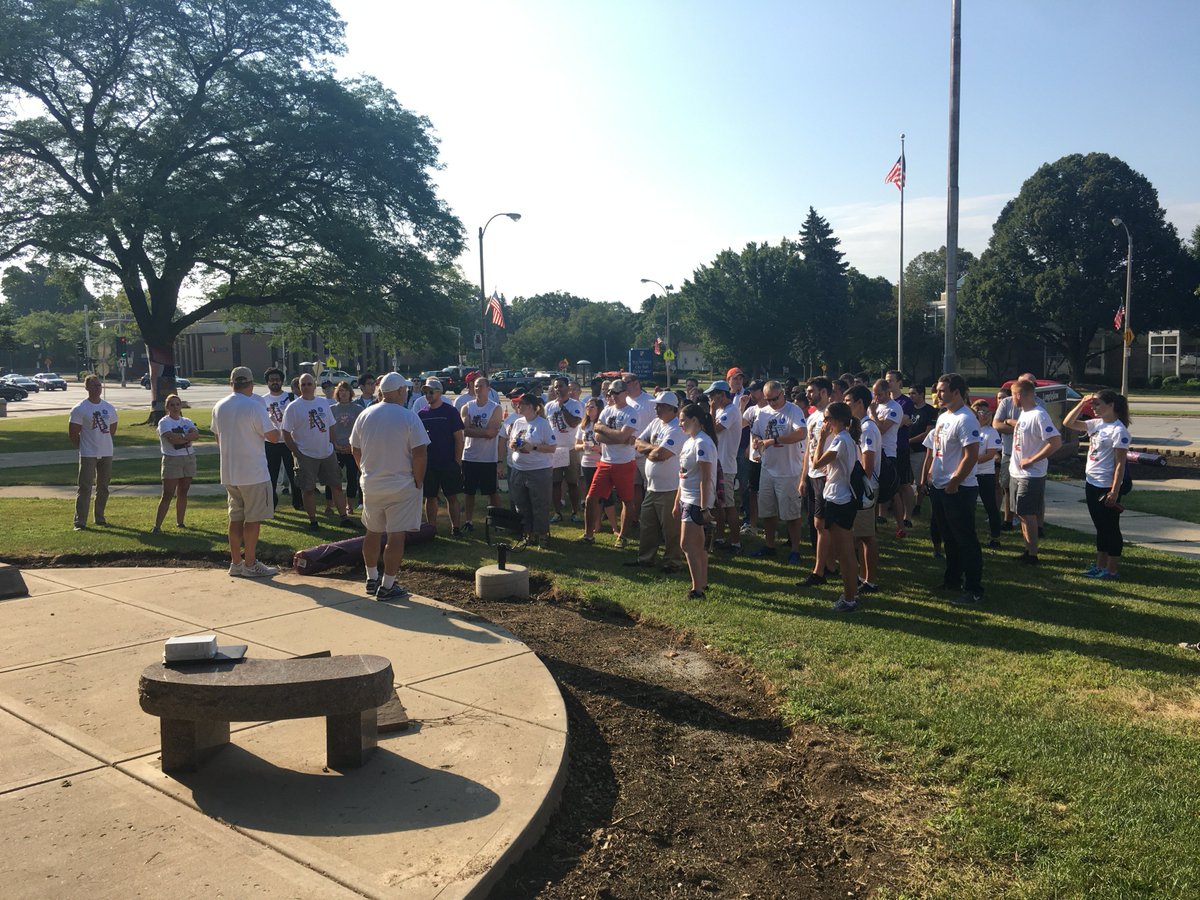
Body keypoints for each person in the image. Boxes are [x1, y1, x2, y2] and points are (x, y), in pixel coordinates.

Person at [350, 373, 429, 600]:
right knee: (396, 535)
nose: (406, 392)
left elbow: (355, 448)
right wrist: (418, 480)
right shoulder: (408, 417)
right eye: (404, 389)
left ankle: (371, 577)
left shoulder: (365, 414)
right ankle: (387, 585)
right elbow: (420, 453)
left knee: (372, 531)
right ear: (398, 392)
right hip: (401, 484)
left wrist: (364, 470)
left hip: (372, 483)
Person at [920, 374, 983, 606]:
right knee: (949, 537)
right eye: (937, 390)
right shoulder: (944, 416)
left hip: (958, 489)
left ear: (957, 392)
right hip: (939, 486)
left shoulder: (966, 419)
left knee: (965, 539)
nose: (937, 395)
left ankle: (973, 588)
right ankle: (952, 579)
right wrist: (930, 474)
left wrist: (955, 481)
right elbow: (939, 450)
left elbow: (971, 455)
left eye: (942, 391)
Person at [211, 366, 281, 577]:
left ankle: (236, 562)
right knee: (253, 519)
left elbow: (217, 437)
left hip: (230, 471)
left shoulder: (219, 406)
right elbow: (273, 437)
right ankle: (250, 563)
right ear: (250, 384)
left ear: (232, 383)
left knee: (235, 518)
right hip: (253, 472)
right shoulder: (254, 406)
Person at [1063, 390, 1131, 580]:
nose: (1093, 408)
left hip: (1106, 485)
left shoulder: (1119, 431)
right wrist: (1082, 403)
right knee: (1100, 527)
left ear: (1111, 406)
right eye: (1092, 405)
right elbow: (1068, 423)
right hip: (1092, 482)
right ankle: (1099, 565)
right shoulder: (1096, 424)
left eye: (1097, 404)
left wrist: (1114, 491)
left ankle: (1111, 569)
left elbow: (1120, 465)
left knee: (1111, 528)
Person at [282, 373, 353, 530]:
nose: (306, 387)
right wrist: (296, 452)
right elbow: (286, 433)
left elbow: (331, 425)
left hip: (327, 453)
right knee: (308, 489)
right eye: (303, 385)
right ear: (299, 388)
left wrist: (333, 444)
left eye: (309, 384)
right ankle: (313, 521)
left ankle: (344, 517)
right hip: (305, 455)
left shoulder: (322, 403)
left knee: (336, 485)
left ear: (315, 386)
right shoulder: (293, 407)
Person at [748, 380, 807, 564]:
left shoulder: (793, 410)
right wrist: (757, 441)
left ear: (782, 394)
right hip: (767, 467)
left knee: (791, 513)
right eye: (768, 399)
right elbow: (756, 432)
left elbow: (802, 433)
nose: (772, 403)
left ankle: (795, 549)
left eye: (775, 399)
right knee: (767, 511)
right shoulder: (763, 412)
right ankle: (770, 545)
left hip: (788, 470)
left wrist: (773, 440)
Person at [809, 402, 860, 612]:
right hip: (839, 498)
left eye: (827, 418)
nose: (824, 422)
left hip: (839, 500)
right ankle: (851, 593)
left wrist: (820, 440)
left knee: (845, 552)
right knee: (845, 551)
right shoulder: (845, 439)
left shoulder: (840, 440)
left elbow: (816, 463)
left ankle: (849, 598)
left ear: (837, 419)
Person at [1003, 378, 1061, 564]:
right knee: (1020, 512)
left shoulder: (1039, 415)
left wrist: (1032, 459)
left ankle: (1033, 554)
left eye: (1012, 395)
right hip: (1016, 471)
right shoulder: (1024, 414)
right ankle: (1027, 550)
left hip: (1032, 474)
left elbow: (1055, 442)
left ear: (1019, 395)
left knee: (1028, 514)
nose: (1012, 399)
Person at [630, 391, 686, 571]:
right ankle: (646, 558)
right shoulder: (655, 423)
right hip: (652, 486)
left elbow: (661, 455)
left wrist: (650, 450)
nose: (656, 408)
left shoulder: (677, 429)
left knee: (671, 529)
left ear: (671, 408)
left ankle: (673, 561)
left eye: (660, 406)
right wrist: (651, 449)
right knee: (647, 525)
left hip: (670, 487)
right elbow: (637, 442)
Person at [583, 379, 641, 546]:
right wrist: (617, 436)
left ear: (624, 393)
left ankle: (622, 536)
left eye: (615, 393)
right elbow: (598, 436)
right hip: (605, 461)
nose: (612, 396)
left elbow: (619, 436)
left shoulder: (631, 413)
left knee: (626, 500)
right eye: (609, 393)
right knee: (591, 498)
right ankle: (588, 534)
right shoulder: (606, 411)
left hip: (624, 463)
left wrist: (605, 431)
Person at [674, 403, 718, 599]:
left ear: (695, 420)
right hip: (686, 497)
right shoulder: (688, 442)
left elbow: (705, 477)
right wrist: (677, 501)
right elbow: (683, 475)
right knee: (697, 545)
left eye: (683, 420)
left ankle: (696, 589)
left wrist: (703, 506)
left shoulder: (703, 442)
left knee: (687, 544)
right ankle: (702, 582)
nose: (680, 424)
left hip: (695, 500)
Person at [68, 373, 118, 531]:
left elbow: (112, 429)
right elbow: (73, 433)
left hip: (106, 452)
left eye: (99, 385)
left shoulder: (108, 407)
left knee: (103, 486)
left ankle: (100, 518)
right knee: (85, 487)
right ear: (87, 388)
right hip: (88, 453)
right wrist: (83, 446)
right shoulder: (80, 409)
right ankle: (80, 522)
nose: (98, 388)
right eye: (94, 385)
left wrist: (104, 443)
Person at [507, 393, 557, 546]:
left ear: (530, 406)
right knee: (521, 503)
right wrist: (514, 445)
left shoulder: (542, 424)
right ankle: (528, 533)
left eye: (520, 404)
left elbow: (552, 447)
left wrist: (533, 446)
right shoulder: (518, 422)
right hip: (519, 468)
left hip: (539, 470)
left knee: (539, 503)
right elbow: (511, 442)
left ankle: (542, 534)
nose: (517, 406)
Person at [417, 377, 465, 535]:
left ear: (439, 392)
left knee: (451, 496)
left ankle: (456, 528)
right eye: (425, 392)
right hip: (429, 463)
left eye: (431, 392)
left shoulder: (450, 411)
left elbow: (459, 437)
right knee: (430, 497)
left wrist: (457, 461)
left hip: (448, 462)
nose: (428, 395)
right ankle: (431, 528)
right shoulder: (421, 414)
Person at [846, 385, 881, 594]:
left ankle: (870, 580)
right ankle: (862, 575)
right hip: (857, 488)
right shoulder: (858, 425)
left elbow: (867, 462)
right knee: (857, 535)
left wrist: (859, 488)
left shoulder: (867, 427)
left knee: (867, 536)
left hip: (864, 489)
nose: (846, 405)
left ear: (860, 403)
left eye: (849, 401)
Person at [800, 376, 833, 585]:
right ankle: (824, 564)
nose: (807, 394)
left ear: (823, 392)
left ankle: (822, 569)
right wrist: (803, 477)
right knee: (814, 522)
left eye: (811, 391)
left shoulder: (833, 416)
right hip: (812, 476)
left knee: (823, 524)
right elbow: (807, 451)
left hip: (825, 476)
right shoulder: (812, 417)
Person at [460, 375, 503, 532]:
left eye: (481, 386)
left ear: (488, 388)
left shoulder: (495, 408)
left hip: (488, 458)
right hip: (469, 456)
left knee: (491, 492)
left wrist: (474, 430)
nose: (477, 389)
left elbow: (492, 433)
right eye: (475, 386)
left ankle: (498, 521)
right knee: (468, 491)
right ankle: (469, 521)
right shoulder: (467, 407)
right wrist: (482, 432)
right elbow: (464, 430)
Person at [153, 393, 199, 532]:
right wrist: (186, 437)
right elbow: (171, 439)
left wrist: (182, 437)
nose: (175, 407)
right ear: (167, 407)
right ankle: (157, 526)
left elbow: (196, 435)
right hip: (172, 459)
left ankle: (180, 522)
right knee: (167, 493)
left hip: (188, 458)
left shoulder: (186, 420)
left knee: (183, 491)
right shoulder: (164, 422)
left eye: (177, 404)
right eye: (172, 405)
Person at [707, 380, 743, 554]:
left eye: (713, 396)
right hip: (717, 463)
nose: (711, 399)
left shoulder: (731, 411)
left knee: (729, 505)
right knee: (718, 505)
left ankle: (735, 542)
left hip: (726, 465)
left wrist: (712, 411)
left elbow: (713, 430)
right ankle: (720, 537)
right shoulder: (722, 410)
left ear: (721, 395)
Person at [575, 397, 619, 536]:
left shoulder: (603, 424)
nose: (588, 409)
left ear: (599, 408)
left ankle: (615, 527)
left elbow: (611, 443)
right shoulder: (583, 426)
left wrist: (599, 449)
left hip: (602, 462)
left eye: (592, 406)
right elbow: (576, 445)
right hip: (587, 463)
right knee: (592, 496)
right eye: (587, 406)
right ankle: (596, 524)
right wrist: (584, 446)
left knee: (607, 496)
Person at [870, 378, 906, 537]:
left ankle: (900, 526)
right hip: (873, 451)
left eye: (880, 394)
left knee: (893, 492)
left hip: (888, 453)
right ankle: (872, 526)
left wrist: (872, 414)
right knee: (871, 489)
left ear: (887, 392)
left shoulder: (894, 408)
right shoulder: (874, 406)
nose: (876, 397)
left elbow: (882, 429)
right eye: (874, 394)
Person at [545, 375, 584, 524]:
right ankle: (557, 512)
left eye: (561, 386)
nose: (558, 389)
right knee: (555, 483)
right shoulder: (549, 406)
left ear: (567, 388)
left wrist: (563, 407)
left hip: (570, 448)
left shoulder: (575, 405)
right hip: (555, 449)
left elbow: (574, 423)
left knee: (572, 482)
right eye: (556, 387)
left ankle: (575, 512)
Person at [261, 367, 300, 509]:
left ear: (282, 381)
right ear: (267, 382)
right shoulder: (262, 400)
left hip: (290, 442)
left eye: (277, 380)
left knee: (294, 474)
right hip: (270, 443)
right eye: (271, 380)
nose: (274, 382)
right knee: (271, 475)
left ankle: (298, 502)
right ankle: (271, 503)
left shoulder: (291, 398)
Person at [971, 399, 1004, 548]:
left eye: (984, 412)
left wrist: (970, 461)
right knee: (968, 506)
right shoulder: (970, 429)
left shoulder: (991, 432)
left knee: (990, 506)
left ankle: (995, 537)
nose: (982, 415)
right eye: (978, 412)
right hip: (969, 475)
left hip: (985, 474)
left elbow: (990, 454)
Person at [885, 369, 916, 526]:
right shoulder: (882, 401)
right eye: (886, 380)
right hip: (885, 448)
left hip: (900, 446)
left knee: (904, 484)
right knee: (886, 482)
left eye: (891, 380)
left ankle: (908, 516)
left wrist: (887, 422)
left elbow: (902, 421)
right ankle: (881, 514)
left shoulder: (906, 402)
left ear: (899, 383)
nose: (888, 383)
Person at [330, 381, 362, 512]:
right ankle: (330, 504)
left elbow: (361, 430)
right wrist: (335, 444)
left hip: (351, 449)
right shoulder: (332, 409)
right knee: (332, 477)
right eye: (341, 391)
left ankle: (350, 505)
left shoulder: (358, 409)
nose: (343, 393)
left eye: (346, 390)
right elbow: (329, 429)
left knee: (352, 478)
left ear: (350, 393)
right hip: (336, 448)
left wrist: (352, 446)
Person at [906, 385, 938, 516]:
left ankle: (918, 505)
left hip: (920, 450)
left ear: (921, 394)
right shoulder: (908, 409)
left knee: (920, 481)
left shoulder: (930, 411)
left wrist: (909, 441)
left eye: (913, 393)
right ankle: (907, 505)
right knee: (906, 481)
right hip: (906, 450)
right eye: (909, 393)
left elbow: (928, 433)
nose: (910, 396)